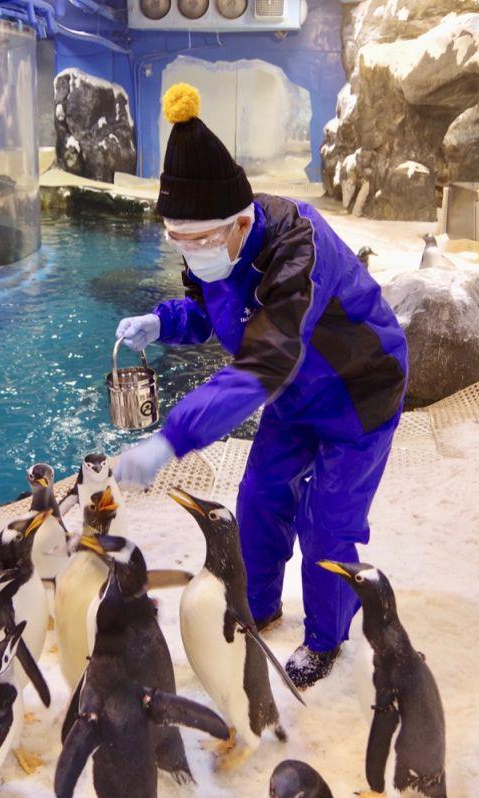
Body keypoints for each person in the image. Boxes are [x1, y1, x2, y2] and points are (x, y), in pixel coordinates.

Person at [112, 84, 409, 690]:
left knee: (328, 520)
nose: (189, 254)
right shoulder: (211, 244)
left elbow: (265, 357)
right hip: (295, 395)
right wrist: (162, 323)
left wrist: (173, 438)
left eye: (196, 242)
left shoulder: (297, 248)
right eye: (177, 242)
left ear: (240, 224)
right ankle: (261, 604)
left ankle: (325, 638)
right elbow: (206, 310)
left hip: (358, 393)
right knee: (260, 494)